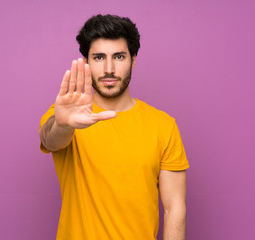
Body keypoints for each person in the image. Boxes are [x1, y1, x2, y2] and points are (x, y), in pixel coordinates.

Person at [39, 14, 189, 240]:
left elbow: (174, 208)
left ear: (133, 60)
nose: (109, 68)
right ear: (87, 62)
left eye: (119, 56)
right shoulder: (66, 116)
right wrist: (63, 125)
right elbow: (51, 138)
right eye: (99, 57)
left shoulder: (163, 125)